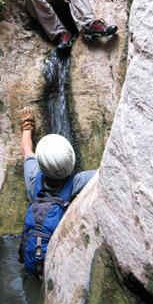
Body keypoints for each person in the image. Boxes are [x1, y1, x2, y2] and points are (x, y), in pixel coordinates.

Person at [19, 106, 96, 278]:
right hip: (58, 262)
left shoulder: (33, 180)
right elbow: (105, 173)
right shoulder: (77, 183)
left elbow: (26, 151)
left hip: (31, 260)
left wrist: (27, 127)